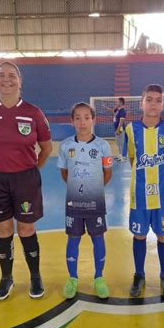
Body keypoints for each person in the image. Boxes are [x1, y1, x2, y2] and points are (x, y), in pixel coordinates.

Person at [0, 61, 53, 301]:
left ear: (20, 81)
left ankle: (35, 276)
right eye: (1, 75)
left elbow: (46, 149)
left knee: (26, 228)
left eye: (12, 75)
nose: (6, 79)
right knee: (3, 229)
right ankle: (6, 277)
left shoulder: (33, 112)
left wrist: (29, 170)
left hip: (25, 178)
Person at [123, 84, 164, 301]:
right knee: (139, 234)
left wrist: (159, 175)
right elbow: (131, 158)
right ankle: (139, 274)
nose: (153, 104)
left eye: (158, 100)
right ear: (141, 103)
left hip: (163, 194)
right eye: (149, 99)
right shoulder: (130, 129)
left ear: (163, 104)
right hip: (139, 195)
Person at [57, 102, 113, 299]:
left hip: (95, 203)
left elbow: (108, 173)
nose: (83, 122)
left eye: (86, 117)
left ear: (93, 120)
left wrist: (94, 189)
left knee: (98, 238)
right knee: (73, 239)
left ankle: (99, 278)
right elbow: (64, 173)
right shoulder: (66, 146)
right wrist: (77, 189)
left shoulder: (103, 145)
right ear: (72, 121)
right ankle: (72, 278)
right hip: (73, 203)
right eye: (78, 118)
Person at [113, 97, 127, 162]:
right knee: (118, 143)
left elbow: (122, 120)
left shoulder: (123, 110)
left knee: (121, 143)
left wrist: (118, 129)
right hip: (116, 129)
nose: (116, 102)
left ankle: (122, 157)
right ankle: (120, 155)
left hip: (120, 129)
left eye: (118, 101)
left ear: (121, 102)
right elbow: (113, 111)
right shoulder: (118, 110)